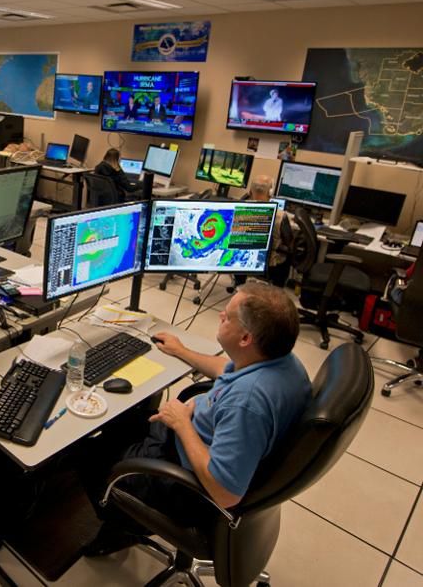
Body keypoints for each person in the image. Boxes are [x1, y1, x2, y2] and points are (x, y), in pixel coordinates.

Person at [80, 283, 311, 557]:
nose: (220, 316)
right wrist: (182, 351)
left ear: (246, 338)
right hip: (193, 439)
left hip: (183, 478)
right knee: (123, 415)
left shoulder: (248, 403)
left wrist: (182, 424)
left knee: (86, 452)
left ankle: (120, 523)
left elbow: (226, 493)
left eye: (226, 316)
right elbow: (228, 369)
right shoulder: (282, 361)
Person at [248, 175, 291, 286]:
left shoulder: (239, 208)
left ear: (250, 191)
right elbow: (289, 242)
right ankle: (277, 288)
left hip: (245, 260)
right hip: (271, 264)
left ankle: (239, 283)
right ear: (270, 192)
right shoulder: (280, 215)